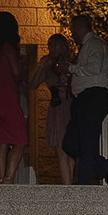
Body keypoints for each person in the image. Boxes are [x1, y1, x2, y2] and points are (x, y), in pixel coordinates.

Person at [64, 12, 108, 184]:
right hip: (83, 99)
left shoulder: (94, 44)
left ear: (79, 27)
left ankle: (83, 184)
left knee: (87, 141)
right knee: (71, 143)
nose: (71, 33)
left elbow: (93, 68)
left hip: (93, 96)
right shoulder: (87, 46)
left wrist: (71, 68)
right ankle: (103, 166)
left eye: (72, 29)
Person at [0, 9, 30, 184]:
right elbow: (16, 72)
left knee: (0, 140)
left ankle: (2, 178)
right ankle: (9, 177)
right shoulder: (9, 48)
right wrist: (23, 76)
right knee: (21, 138)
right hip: (7, 98)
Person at [35, 32, 74, 183]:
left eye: (56, 44)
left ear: (64, 46)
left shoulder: (71, 63)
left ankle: (69, 183)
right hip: (58, 107)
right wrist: (41, 66)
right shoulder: (48, 65)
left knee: (71, 146)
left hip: (71, 106)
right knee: (60, 145)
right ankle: (67, 185)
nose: (52, 48)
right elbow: (33, 84)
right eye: (50, 44)